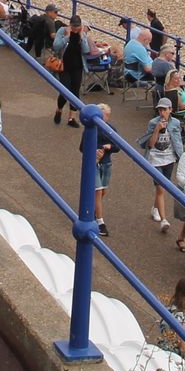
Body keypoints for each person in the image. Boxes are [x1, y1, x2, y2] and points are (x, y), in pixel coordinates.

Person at [139, 98, 184, 233]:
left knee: (163, 187)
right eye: (160, 109)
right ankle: (164, 220)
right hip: (155, 159)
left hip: (169, 159)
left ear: (170, 110)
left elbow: (178, 142)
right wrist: (157, 130)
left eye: (165, 109)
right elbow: (150, 144)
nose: (162, 112)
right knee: (161, 188)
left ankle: (155, 208)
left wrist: (182, 158)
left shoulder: (176, 123)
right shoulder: (153, 122)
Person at [49, 15, 91, 126]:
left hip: (77, 66)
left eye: (78, 26)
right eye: (74, 26)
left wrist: (82, 37)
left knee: (75, 91)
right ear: (70, 24)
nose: (76, 28)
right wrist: (67, 36)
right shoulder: (63, 31)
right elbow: (56, 46)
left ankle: (72, 118)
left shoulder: (82, 33)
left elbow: (86, 50)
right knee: (65, 91)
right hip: (64, 66)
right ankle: (59, 109)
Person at [91, 103, 116, 236]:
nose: (106, 118)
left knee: (103, 191)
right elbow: (83, 147)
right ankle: (100, 222)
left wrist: (110, 147)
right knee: (98, 192)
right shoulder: (91, 129)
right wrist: (95, 151)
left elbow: (118, 146)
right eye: (105, 115)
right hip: (94, 163)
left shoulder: (111, 129)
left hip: (106, 164)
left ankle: (93, 210)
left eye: (107, 116)